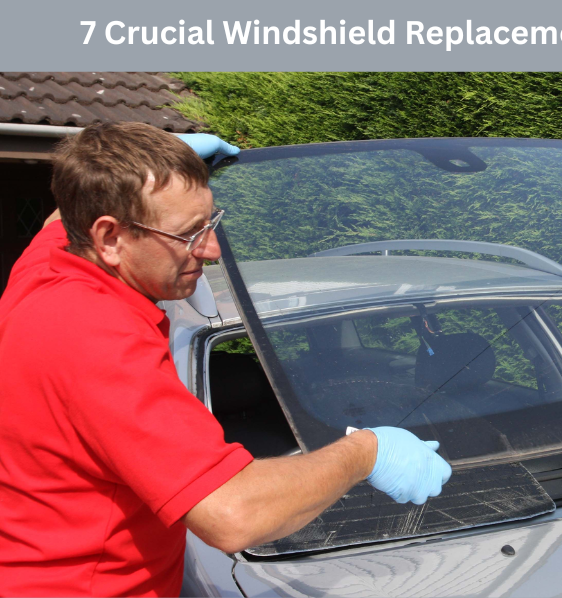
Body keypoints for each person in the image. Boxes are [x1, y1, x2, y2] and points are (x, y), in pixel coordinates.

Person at [0, 122, 452, 597]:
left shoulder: (50, 264)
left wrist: (161, 161)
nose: (211, 250)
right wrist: (367, 453)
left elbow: (67, 211)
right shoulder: (98, 340)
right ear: (110, 237)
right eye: (188, 233)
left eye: (210, 223)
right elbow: (232, 515)